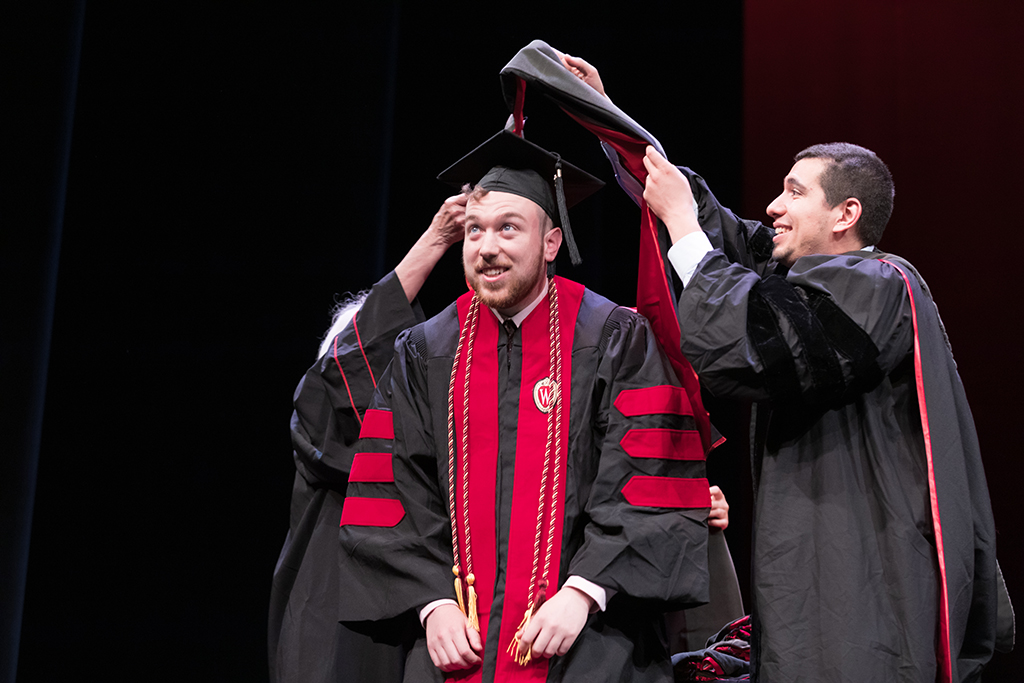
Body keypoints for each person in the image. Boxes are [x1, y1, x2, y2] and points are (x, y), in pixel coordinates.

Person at [336, 130, 713, 682]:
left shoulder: (613, 337)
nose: (487, 247)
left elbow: (648, 475)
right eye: (474, 231)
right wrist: (430, 603)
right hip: (456, 645)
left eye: (508, 228)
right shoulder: (426, 350)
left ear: (552, 243)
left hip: (588, 640)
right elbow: (391, 488)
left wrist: (585, 592)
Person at [641, 141, 1001, 681]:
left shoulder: (877, 284)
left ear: (844, 214)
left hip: (865, 586)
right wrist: (610, 122)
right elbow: (731, 242)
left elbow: (761, 342)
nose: (772, 207)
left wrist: (683, 228)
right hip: (820, 575)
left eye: (794, 192)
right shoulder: (806, 285)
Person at [269, 197, 465, 683]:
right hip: (337, 631)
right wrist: (436, 239)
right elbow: (344, 373)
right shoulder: (323, 420)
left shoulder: (436, 439)